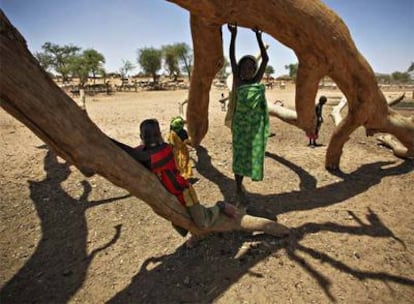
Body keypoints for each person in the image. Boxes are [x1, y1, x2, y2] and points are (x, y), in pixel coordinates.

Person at [110, 119, 236, 245]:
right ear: (141, 137)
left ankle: (220, 206)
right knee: (181, 222)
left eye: (154, 135)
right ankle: (197, 234)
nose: (152, 139)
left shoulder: (165, 150)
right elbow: (135, 154)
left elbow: (138, 156)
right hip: (169, 196)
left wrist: (110, 142)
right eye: (148, 136)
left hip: (183, 193)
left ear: (159, 134)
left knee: (202, 221)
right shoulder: (143, 150)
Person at [228, 24, 270, 206]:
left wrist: (259, 38)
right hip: (240, 126)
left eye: (251, 67)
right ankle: (238, 186)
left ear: (254, 70)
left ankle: (244, 183)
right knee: (239, 155)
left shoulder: (255, 81)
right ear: (239, 69)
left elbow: (266, 58)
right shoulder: (237, 80)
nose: (247, 70)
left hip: (253, 127)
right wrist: (234, 35)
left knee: (252, 152)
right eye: (244, 67)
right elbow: (231, 56)